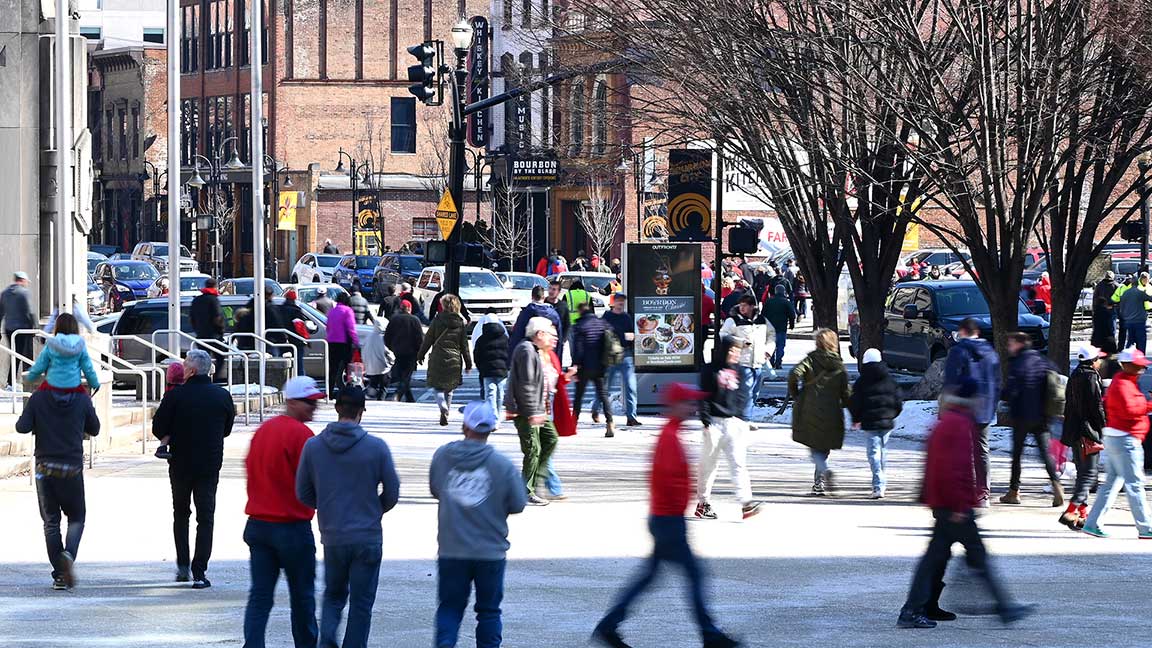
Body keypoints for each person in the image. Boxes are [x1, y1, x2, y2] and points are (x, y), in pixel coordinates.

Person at [593, 383, 740, 648]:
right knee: (693, 576)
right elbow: (669, 483)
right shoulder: (670, 437)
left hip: (665, 519)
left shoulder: (671, 433)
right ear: (675, 405)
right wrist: (677, 513)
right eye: (688, 402)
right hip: (668, 521)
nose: (693, 407)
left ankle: (608, 626)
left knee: (649, 578)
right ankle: (710, 635)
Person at [896, 379, 1034, 629]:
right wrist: (960, 505)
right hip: (953, 504)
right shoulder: (959, 425)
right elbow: (956, 469)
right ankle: (1004, 607)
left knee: (936, 557)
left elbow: (933, 465)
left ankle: (922, 606)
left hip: (944, 501)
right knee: (974, 555)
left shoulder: (946, 422)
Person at [295, 386, 400, 648]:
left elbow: (303, 492)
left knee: (333, 595)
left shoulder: (314, 446)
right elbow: (392, 492)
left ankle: (327, 639)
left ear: (337, 408)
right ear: (361, 411)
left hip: (333, 534)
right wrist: (375, 510)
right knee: (362, 604)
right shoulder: (376, 448)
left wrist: (327, 506)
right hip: (367, 535)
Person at [430, 401, 528, 648]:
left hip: (452, 547)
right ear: (490, 430)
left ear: (465, 426)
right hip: (490, 550)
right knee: (489, 611)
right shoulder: (502, 465)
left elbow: (436, 489)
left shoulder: (443, 456)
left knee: (450, 608)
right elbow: (518, 503)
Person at [243, 376, 324, 648]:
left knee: (260, 596)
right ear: (290, 402)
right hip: (291, 526)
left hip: (259, 524)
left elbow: (250, 469)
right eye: (308, 403)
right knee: (302, 596)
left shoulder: (263, 431)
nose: (314, 408)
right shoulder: (303, 437)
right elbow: (315, 481)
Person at [152, 350, 236, 588]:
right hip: (210, 463)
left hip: (180, 462)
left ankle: (182, 564)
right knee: (206, 516)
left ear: (190, 371)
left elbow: (159, 427)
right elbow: (227, 429)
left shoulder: (176, 396)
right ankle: (200, 570)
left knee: (181, 512)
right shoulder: (222, 396)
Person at [15, 362, 100, 590]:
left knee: (51, 521)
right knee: (77, 517)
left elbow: (21, 427)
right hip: (71, 466)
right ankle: (69, 555)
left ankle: (60, 575)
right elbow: (95, 428)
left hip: (45, 466)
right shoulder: (82, 399)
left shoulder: (38, 398)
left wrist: (36, 419)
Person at [1081, 347, 1152, 539]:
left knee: (1113, 482)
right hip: (1125, 439)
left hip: (1118, 438)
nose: (1141, 370)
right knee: (1135, 483)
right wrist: (1147, 405)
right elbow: (1128, 411)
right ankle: (1146, 527)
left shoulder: (1125, 382)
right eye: (1138, 366)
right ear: (1127, 365)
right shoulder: (1122, 385)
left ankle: (1092, 523)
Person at [696, 336, 763, 520]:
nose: (735, 354)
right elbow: (704, 396)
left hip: (733, 423)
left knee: (738, 464)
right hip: (714, 424)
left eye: (738, 351)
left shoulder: (739, 371)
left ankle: (746, 503)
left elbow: (743, 396)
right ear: (724, 350)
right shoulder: (710, 369)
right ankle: (703, 503)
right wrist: (706, 421)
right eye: (732, 350)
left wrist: (741, 419)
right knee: (709, 465)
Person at [942, 317, 1000, 506]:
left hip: (961, 407)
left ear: (963, 331)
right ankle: (983, 493)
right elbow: (997, 382)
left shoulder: (958, 351)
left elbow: (951, 380)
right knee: (981, 450)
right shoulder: (991, 353)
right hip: (984, 408)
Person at [999, 332, 1062, 506]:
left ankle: (1014, 491)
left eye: (1011, 343)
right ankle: (1056, 484)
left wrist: (1002, 395)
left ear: (1020, 344)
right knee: (1045, 453)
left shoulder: (1018, 363)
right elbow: (1056, 377)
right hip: (1043, 416)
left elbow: (1010, 390)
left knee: (1017, 454)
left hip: (1021, 416)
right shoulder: (1042, 360)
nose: (1009, 347)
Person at [505, 317, 560, 506]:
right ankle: (525, 491)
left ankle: (535, 482)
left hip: (537, 408)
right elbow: (526, 385)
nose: (553, 338)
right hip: (527, 411)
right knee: (532, 450)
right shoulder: (526, 350)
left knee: (550, 439)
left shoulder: (534, 350)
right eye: (550, 334)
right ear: (540, 334)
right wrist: (531, 413)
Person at [788, 328, 850, 496]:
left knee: (815, 446)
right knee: (823, 446)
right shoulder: (839, 365)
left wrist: (796, 394)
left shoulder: (811, 360)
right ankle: (819, 481)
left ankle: (823, 473)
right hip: (832, 411)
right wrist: (850, 407)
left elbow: (794, 374)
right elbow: (846, 391)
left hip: (809, 408)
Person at [1058, 344, 1106, 531]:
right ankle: (1071, 510)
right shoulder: (1091, 377)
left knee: (1082, 474)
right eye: (1098, 359)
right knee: (1089, 474)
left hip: (1074, 432)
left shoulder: (1075, 374)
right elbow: (1096, 407)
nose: (1100, 362)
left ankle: (1082, 516)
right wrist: (1103, 427)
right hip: (1088, 432)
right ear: (1093, 361)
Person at [849, 349, 903, 499]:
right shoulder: (890, 380)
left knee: (873, 453)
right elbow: (898, 401)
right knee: (882, 452)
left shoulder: (862, 381)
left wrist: (856, 418)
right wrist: (891, 415)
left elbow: (854, 402)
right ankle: (881, 482)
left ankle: (878, 484)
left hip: (870, 422)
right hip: (886, 422)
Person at [419, 294, 472, 427]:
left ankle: (442, 406)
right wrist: (468, 363)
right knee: (449, 388)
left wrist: (420, 355)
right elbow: (464, 345)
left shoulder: (437, 320)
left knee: (437, 386)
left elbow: (428, 339)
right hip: (454, 358)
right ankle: (446, 412)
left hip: (438, 356)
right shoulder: (460, 323)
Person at [720, 295, 772, 422]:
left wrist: (768, 350)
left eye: (745, 305)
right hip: (742, 361)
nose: (742, 308)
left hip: (758, 361)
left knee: (754, 393)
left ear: (752, 307)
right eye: (741, 305)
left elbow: (771, 335)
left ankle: (743, 416)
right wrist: (741, 342)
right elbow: (723, 335)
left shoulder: (762, 320)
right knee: (746, 392)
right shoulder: (733, 320)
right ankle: (745, 419)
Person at [25, 313, 100, 392]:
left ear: (57, 327)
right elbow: (88, 368)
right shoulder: (80, 344)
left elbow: (40, 365)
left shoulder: (51, 343)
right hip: (74, 388)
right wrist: (95, 383)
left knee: (33, 402)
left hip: (52, 387)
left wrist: (29, 378)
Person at [571, 303, 615, 437]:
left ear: (580, 312)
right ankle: (610, 422)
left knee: (578, 396)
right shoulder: (602, 323)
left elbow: (578, 348)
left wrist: (575, 364)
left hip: (584, 366)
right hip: (600, 365)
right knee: (603, 394)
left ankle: (573, 424)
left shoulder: (580, 325)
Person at [598, 294, 640, 427]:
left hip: (625, 354)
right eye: (619, 302)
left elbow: (633, 334)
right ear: (614, 302)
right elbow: (600, 334)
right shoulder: (607, 316)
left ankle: (631, 417)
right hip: (610, 356)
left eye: (623, 302)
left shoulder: (626, 317)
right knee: (605, 387)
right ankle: (595, 409)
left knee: (630, 386)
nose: (621, 304)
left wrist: (631, 337)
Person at [384, 300, 423, 402]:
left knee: (403, 376)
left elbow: (387, 337)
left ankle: (409, 399)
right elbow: (420, 338)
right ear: (409, 309)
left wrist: (391, 347)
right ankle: (397, 395)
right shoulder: (415, 320)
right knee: (406, 376)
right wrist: (420, 353)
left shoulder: (394, 319)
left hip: (398, 351)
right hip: (411, 352)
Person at [1, 271, 36, 382]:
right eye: (26, 281)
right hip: (22, 329)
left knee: (14, 353)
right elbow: (29, 312)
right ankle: (17, 381)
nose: (26, 283)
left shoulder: (5, 293)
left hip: (9, 328)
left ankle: (11, 381)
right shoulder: (24, 293)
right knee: (22, 355)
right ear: (22, 280)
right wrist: (34, 327)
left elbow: (0, 312)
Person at [473, 317, 510, 421]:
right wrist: (507, 367)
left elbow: (477, 355)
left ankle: (492, 416)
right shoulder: (505, 338)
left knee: (489, 393)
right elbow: (510, 353)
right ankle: (497, 415)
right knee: (500, 393)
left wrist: (480, 368)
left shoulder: (482, 338)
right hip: (502, 370)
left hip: (487, 371)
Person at [190, 278, 226, 382]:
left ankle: (203, 380)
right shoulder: (213, 300)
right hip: (214, 336)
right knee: (220, 358)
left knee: (202, 360)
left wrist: (197, 329)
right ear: (215, 286)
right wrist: (221, 331)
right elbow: (217, 317)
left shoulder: (197, 300)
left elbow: (192, 318)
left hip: (201, 335)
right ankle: (216, 380)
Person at [508, 285, 562, 353]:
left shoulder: (525, 314)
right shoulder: (554, 314)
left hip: (528, 353)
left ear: (532, 297)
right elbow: (559, 338)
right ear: (543, 297)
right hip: (548, 354)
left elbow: (517, 336)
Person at [325, 292, 360, 397]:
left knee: (332, 368)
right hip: (344, 343)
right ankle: (348, 392)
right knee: (348, 368)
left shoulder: (332, 311)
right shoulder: (348, 311)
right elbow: (351, 328)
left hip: (331, 342)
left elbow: (328, 327)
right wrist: (356, 341)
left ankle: (329, 392)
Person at [761, 284, 796, 371]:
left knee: (770, 344)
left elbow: (763, 314)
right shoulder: (786, 302)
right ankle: (778, 362)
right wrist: (791, 325)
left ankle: (772, 361)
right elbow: (792, 315)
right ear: (784, 292)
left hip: (770, 327)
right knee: (780, 346)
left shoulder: (769, 302)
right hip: (781, 327)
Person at [1115, 271, 1152, 352]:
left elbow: (1121, 306)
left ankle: (1128, 357)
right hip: (1139, 321)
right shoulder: (1139, 293)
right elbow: (1150, 299)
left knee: (1130, 340)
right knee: (1141, 341)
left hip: (1129, 320)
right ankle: (1140, 358)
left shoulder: (1125, 293)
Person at [360, 323, 393, 401]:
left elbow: (363, 349)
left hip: (371, 366)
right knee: (383, 387)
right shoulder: (382, 338)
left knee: (373, 384)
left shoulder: (368, 337)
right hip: (383, 366)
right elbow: (387, 352)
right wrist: (392, 361)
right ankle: (381, 401)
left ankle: (370, 396)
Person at [279, 290, 309, 375]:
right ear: (294, 299)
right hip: (296, 340)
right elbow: (300, 326)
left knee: (284, 363)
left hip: (283, 340)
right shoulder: (295, 310)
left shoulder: (280, 309)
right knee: (299, 364)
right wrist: (306, 338)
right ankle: (301, 383)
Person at [1091, 271, 1119, 350]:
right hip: (1111, 310)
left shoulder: (1099, 286)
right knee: (1111, 330)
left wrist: (1094, 309)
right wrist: (1114, 306)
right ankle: (1111, 346)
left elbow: (1095, 299)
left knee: (1100, 330)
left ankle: (1102, 346)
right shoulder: (1116, 286)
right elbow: (1120, 299)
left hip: (1100, 311)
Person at [544, 280, 571, 360]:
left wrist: (563, 339)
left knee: (557, 363)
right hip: (544, 340)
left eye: (554, 289)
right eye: (550, 288)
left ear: (559, 292)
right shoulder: (543, 303)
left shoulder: (563, 306)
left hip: (558, 342)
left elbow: (567, 324)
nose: (551, 291)